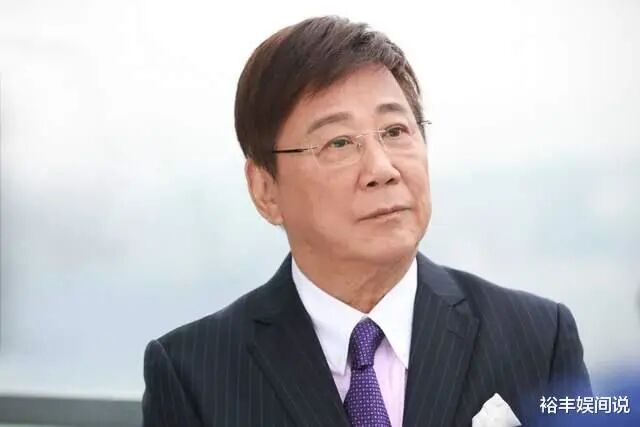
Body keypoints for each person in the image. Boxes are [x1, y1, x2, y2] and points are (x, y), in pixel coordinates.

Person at [142, 16, 591, 427]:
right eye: (338, 143)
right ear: (265, 189)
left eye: (395, 132)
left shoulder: (537, 338)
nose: (381, 168)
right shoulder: (192, 374)